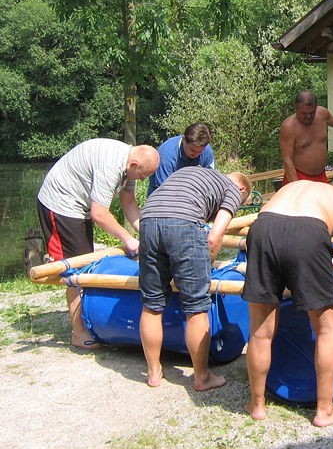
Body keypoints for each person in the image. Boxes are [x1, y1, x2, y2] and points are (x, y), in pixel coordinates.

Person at [243, 171, 333, 426]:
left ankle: (256, 404)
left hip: (263, 227)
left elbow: (288, 230)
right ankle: (325, 410)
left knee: (260, 331)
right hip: (310, 232)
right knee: (326, 330)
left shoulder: (300, 186)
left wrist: (320, 263)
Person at [37, 139, 160, 349]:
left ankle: (90, 319)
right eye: (143, 175)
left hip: (79, 206)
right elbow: (100, 214)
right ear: (134, 165)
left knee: (84, 265)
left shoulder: (129, 166)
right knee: (75, 267)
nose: (143, 179)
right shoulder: (111, 166)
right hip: (61, 204)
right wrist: (128, 239)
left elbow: (129, 202)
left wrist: (147, 234)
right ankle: (78, 332)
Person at [138, 167, 252, 390]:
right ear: (242, 189)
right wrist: (204, 266)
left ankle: (154, 373)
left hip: (148, 220)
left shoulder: (191, 173)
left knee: (152, 303)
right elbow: (214, 236)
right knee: (196, 306)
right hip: (183, 224)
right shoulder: (233, 189)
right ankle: (202, 377)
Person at [148, 123, 215, 195]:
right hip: (163, 196)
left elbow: (210, 180)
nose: (196, 154)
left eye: (200, 152)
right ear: (183, 140)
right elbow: (163, 190)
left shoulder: (207, 151)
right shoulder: (166, 157)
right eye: (192, 150)